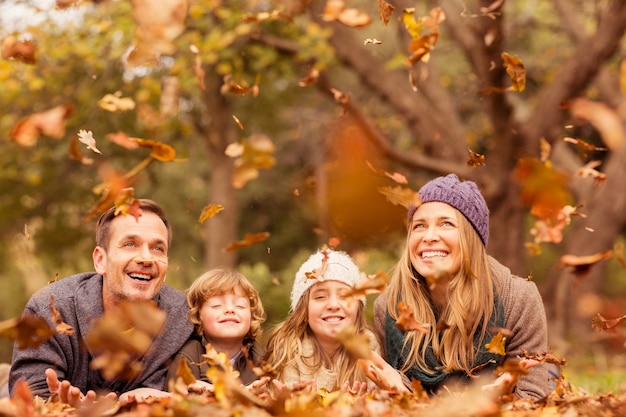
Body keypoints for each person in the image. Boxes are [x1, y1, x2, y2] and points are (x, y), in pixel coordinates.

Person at [373, 174, 553, 398]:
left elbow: (534, 397)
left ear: (472, 237)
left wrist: (501, 402)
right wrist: (401, 395)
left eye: (446, 223)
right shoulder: (389, 308)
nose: (429, 236)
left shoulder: (518, 298)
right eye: (419, 225)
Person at [9, 199, 194, 405]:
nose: (146, 258)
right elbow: (27, 396)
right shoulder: (51, 310)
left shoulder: (184, 316)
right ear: (100, 261)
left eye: (158, 249)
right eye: (130, 244)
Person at [263, 249, 382, 394]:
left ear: (358, 308)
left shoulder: (368, 346)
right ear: (304, 311)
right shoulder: (288, 349)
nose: (333, 305)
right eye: (320, 297)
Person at [165, 267, 266, 391]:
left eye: (240, 306)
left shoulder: (260, 358)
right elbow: (173, 399)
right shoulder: (189, 356)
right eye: (216, 305)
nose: (230, 309)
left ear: (251, 316)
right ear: (199, 316)